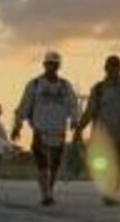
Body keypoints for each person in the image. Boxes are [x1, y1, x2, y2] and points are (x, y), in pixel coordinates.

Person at [74, 55, 120, 205]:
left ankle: (112, 192)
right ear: (106, 69)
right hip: (103, 134)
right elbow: (89, 112)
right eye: (110, 67)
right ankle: (109, 193)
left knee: (119, 165)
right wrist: (79, 130)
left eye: (116, 67)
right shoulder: (98, 89)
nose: (113, 70)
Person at [12, 50, 79, 206]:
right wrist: (18, 125)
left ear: (59, 66)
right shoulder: (35, 84)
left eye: (55, 64)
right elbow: (24, 105)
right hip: (40, 130)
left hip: (59, 130)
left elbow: (73, 104)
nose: (52, 67)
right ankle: (46, 195)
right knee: (42, 163)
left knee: (54, 164)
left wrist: (75, 120)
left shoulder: (65, 85)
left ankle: (49, 190)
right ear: (44, 65)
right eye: (49, 64)